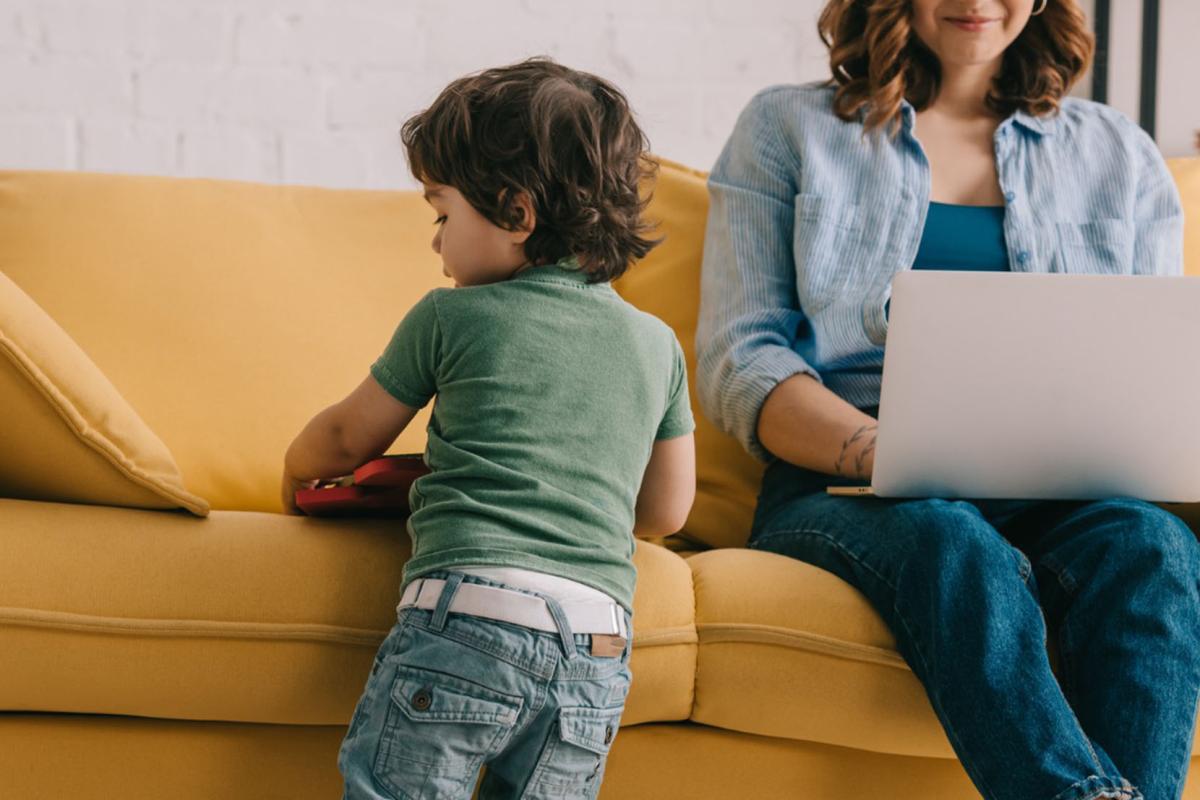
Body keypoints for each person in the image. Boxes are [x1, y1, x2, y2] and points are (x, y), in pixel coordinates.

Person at [696, 1, 1198, 798]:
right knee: (948, 534)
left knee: (1155, 547)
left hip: (1057, 490)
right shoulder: (786, 128)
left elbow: (1153, 356)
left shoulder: (1120, 154)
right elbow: (740, 355)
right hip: (846, 484)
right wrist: (877, 450)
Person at [282, 57, 696, 800]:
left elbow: (346, 441)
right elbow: (665, 513)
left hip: (468, 621)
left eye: (443, 214)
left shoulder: (451, 317)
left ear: (515, 212)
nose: (436, 242)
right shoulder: (657, 344)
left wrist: (292, 472)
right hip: (598, 644)